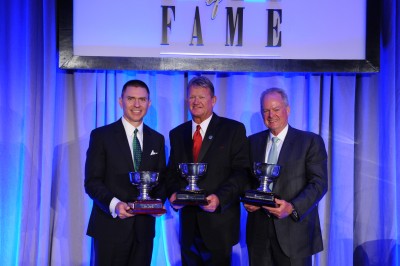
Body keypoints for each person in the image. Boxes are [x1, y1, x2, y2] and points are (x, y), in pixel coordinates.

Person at [166, 76, 250, 265]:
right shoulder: (177, 133)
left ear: (213, 100)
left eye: (202, 97)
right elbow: (171, 172)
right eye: (192, 97)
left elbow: (241, 173)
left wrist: (219, 198)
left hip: (219, 224)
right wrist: (173, 196)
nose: (196, 102)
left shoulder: (233, 130)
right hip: (188, 225)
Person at [84, 80, 166, 266]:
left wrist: (157, 203)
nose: (136, 105)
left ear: (149, 103)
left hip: (144, 231)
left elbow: (162, 179)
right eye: (131, 99)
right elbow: (92, 182)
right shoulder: (101, 136)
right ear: (121, 101)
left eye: (142, 99)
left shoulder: (157, 139)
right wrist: (115, 205)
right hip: (110, 228)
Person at [244, 88, 328, 266]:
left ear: (287, 110)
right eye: (266, 110)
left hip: (294, 234)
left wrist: (292, 207)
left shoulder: (309, 141)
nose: (271, 115)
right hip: (258, 235)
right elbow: (244, 178)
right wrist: (247, 198)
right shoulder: (251, 142)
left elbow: (319, 183)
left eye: (276, 109)